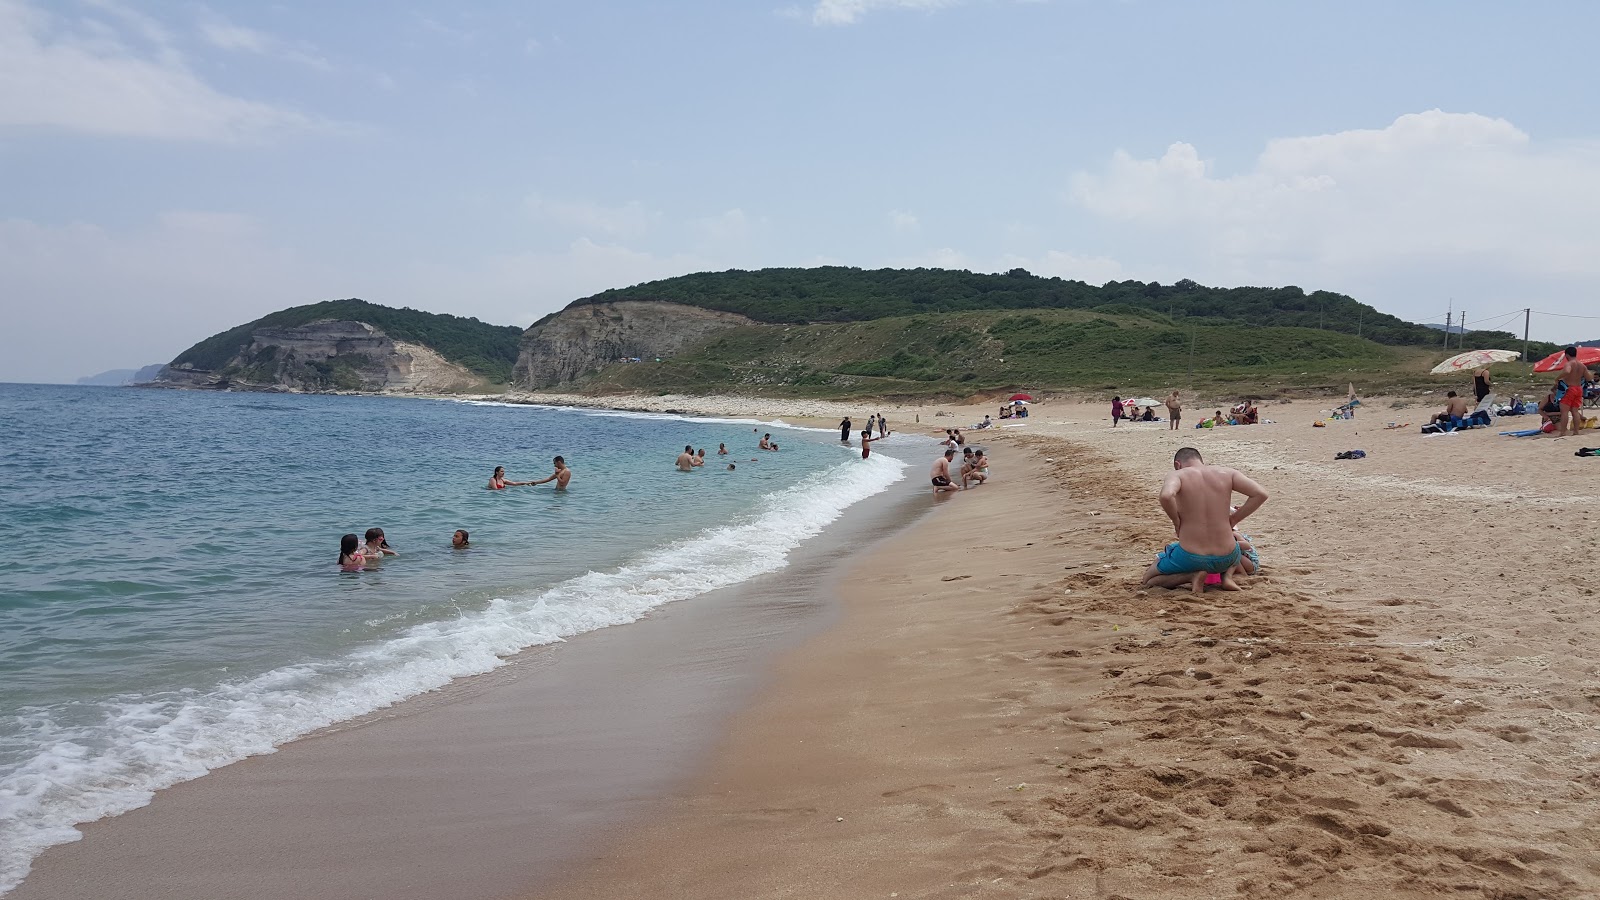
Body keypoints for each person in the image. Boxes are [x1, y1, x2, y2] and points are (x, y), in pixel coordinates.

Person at [1141, 447, 1269, 594]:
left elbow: (1166, 496)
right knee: (1228, 551)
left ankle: (1191, 576)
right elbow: (1261, 494)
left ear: (1178, 464)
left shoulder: (1178, 475)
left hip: (1191, 556)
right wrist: (1234, 519)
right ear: (1201, 461)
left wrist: (1176, 521)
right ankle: (1226, 576)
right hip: (1228, 557)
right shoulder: (1228, 473)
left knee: (1149, 579)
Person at [1556, 346, 1593, 437]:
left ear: (1567, 355)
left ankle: (1563, 432)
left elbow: (1567, 371)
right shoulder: (1582, 365)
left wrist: (1558, 378)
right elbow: (1588, 378)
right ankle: (1576, 431)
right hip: (1578, 388)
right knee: (1575, 411)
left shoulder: (1569, 364)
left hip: (1569, 388)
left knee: (1564, 411)